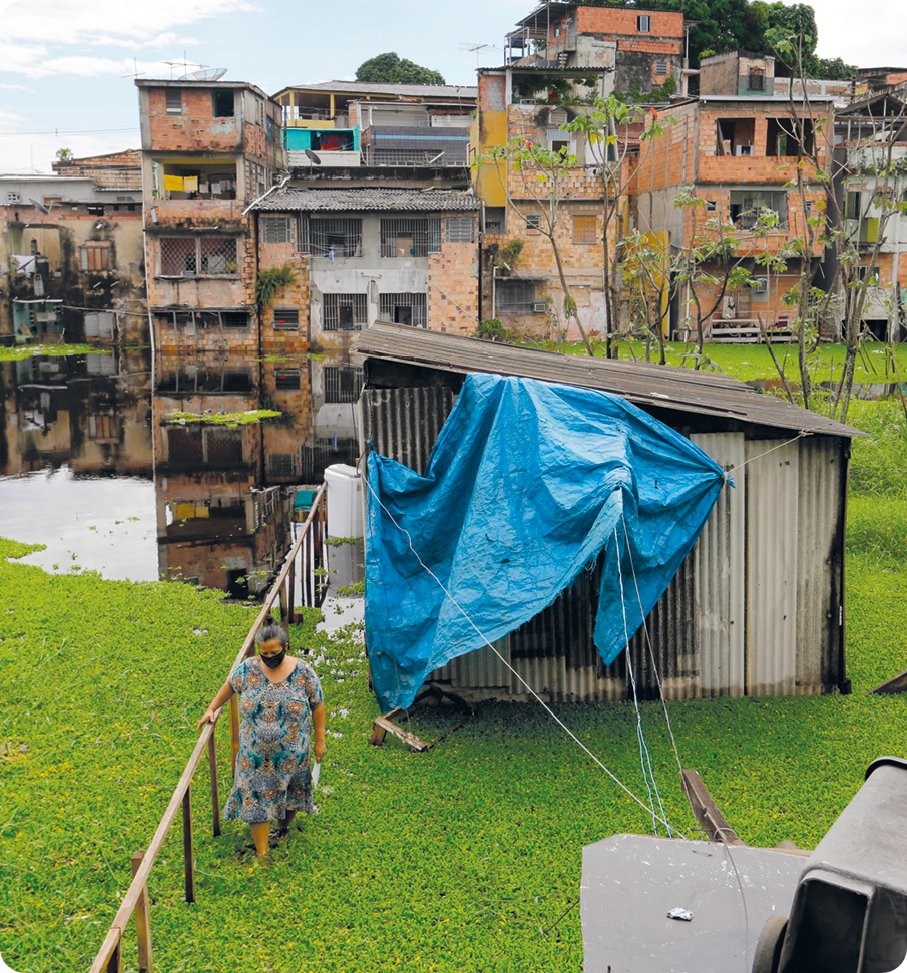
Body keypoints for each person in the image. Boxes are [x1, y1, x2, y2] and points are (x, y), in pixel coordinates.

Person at [197, 620, 326, 860]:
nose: (269, 657)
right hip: (254, 754)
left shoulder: (304, 672)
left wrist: (320, 740)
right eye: (264, 653)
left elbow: (317, 705)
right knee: (256, 796)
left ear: (285, 646)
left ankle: (283, 828)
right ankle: (262, 853)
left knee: (290, 791)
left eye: (274, 653)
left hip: (292, 751)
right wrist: (212, 708)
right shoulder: (248, 669)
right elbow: (229, 686)